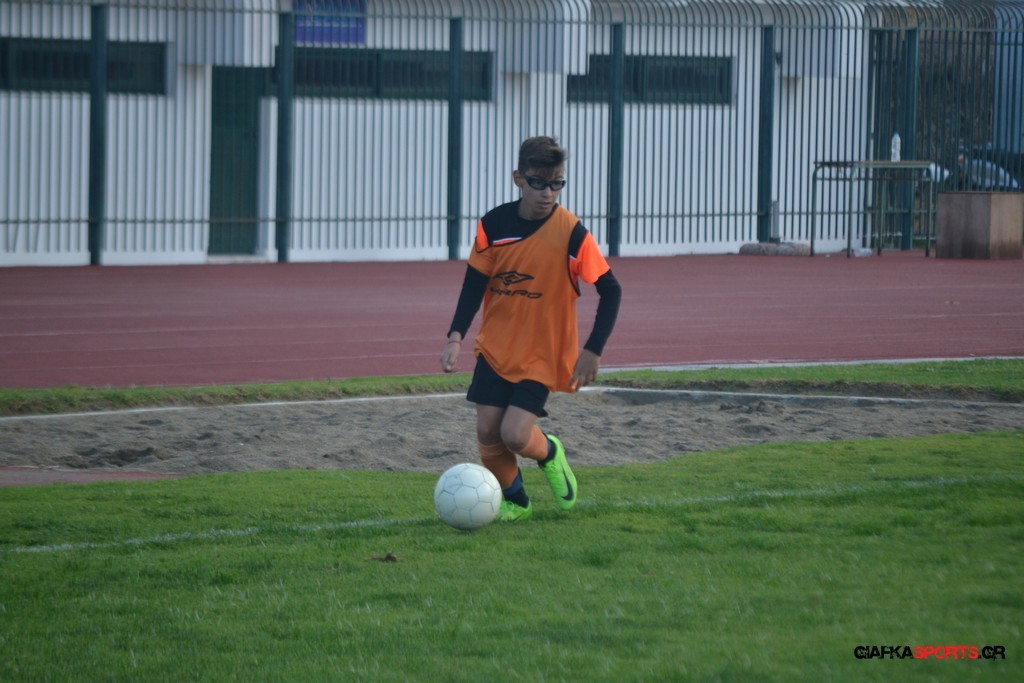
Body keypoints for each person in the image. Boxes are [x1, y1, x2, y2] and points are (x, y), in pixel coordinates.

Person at [440, 136, 621, 521]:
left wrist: (593, 349)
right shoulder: (493, 225)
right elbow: (473, 284)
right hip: (496, 347)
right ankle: (517, 502)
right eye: (539, 182)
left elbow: (611, 290)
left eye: (557, 184)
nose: (548, 193)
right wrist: (456, 336)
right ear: (518, 178)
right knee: (488, 433)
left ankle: (551, 453)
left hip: (542, 353)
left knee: (515, 435)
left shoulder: (572, 234)